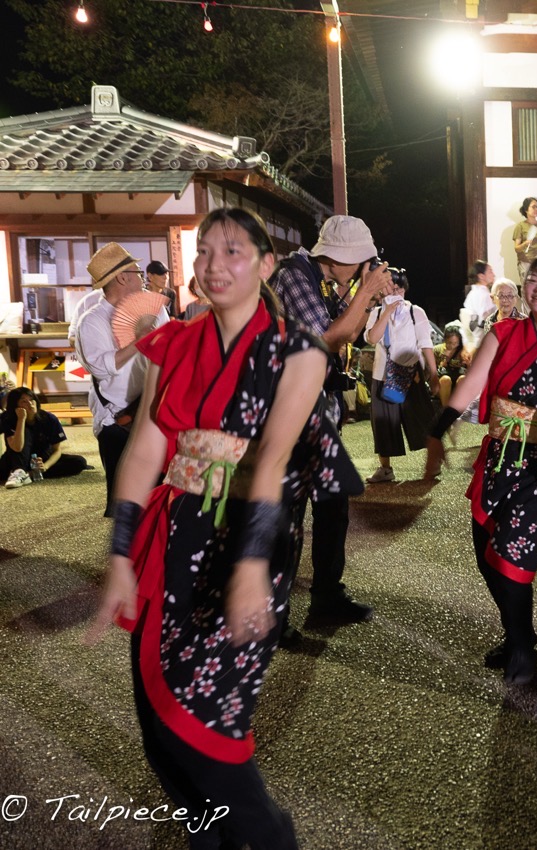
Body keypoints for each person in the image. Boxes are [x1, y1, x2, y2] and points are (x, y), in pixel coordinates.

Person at [88, 206, 362, 849]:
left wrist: (248, 572)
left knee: (209, 735)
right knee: (161, 735)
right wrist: (121, 556)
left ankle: (270, 838)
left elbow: (269, 465)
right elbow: (145, 454)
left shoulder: (297, 352)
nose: (215, 264)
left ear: (267, 265)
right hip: (175, 536)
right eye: (205, 252)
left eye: (233, 251)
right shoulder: (171, 343)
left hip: (250, 543)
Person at [424, 253, 537, 686]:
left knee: (512, 561)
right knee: (486, 554)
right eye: (533, 279)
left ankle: (523, 654)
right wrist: (437, 428)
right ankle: (516, 633)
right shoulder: (502, 331)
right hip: (498, 456)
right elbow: (472, 383)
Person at [270, 214, 391, 625]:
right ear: (337, 257)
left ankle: (326, 599)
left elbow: (351, 333)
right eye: (358, 261)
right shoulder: (293, 276)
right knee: (286, 518)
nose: (362, 269)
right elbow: (326, 339)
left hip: (318, 414)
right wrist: (364, 291)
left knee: (332, 507)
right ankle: (274, 616)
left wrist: (366, 297)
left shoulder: (324, 281)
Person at [75, 242, 169, 517]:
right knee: (126, 503)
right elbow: (102, 367)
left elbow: (169, 349)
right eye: (138, 271)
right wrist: (139, 342)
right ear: (121, 277)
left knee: (157, 495)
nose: (143, 277)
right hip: (118, 417)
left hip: (153, 411)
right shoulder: (92, 321)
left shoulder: (154, 308)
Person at [363, 267, 439, 484]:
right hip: (382, 375)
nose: (393, 294)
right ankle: (385, 469)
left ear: (404, 290)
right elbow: (372, 338)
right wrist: (386, 312)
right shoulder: (376, 313)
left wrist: (433, 374)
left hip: (410, 376)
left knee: (421, 420)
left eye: (397, 289)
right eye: (388, 290)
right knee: (383, 423)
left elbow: (426, 344)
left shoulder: (416, 312)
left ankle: (433, 460)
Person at [1, 387, 89, 487]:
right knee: (24, 432)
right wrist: (21, 419)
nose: (30, 404)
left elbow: (57, 450)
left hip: (42, 458)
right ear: (15, 406)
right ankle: (19, 472)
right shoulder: (8, 418)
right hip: (16, 459)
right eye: (24, 401)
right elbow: (17, 447)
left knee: (79, 462)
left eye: (31, 400)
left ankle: (29, 474)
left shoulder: (49, 418)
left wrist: (45, 466)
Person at [460, 260, 497, 353]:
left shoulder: (472, 294)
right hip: (482, 343)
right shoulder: (485, 296)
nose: (494, 274)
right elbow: (485, 323)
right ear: (481, 276)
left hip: (471, 341)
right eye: (490, 271)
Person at [512, 197, 537, 280]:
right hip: (526, 263)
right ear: (526, 209)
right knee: (528, 290)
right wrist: (525, 244)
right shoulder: (520, 226)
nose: (536, 209)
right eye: (533, 207)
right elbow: (517, 248)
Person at [433, 328, 468, 409]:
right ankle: (446, 410)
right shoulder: (437, 350)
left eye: (456, 343)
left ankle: (459, 409)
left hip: (458, 381)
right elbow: (432, 370)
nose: (452, 346)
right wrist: (445, 359)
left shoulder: (463, 351)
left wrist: (466, 363)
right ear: (445, 340)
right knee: (446, 379)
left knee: (463, 378)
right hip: (442, 383)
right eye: (450, 343)